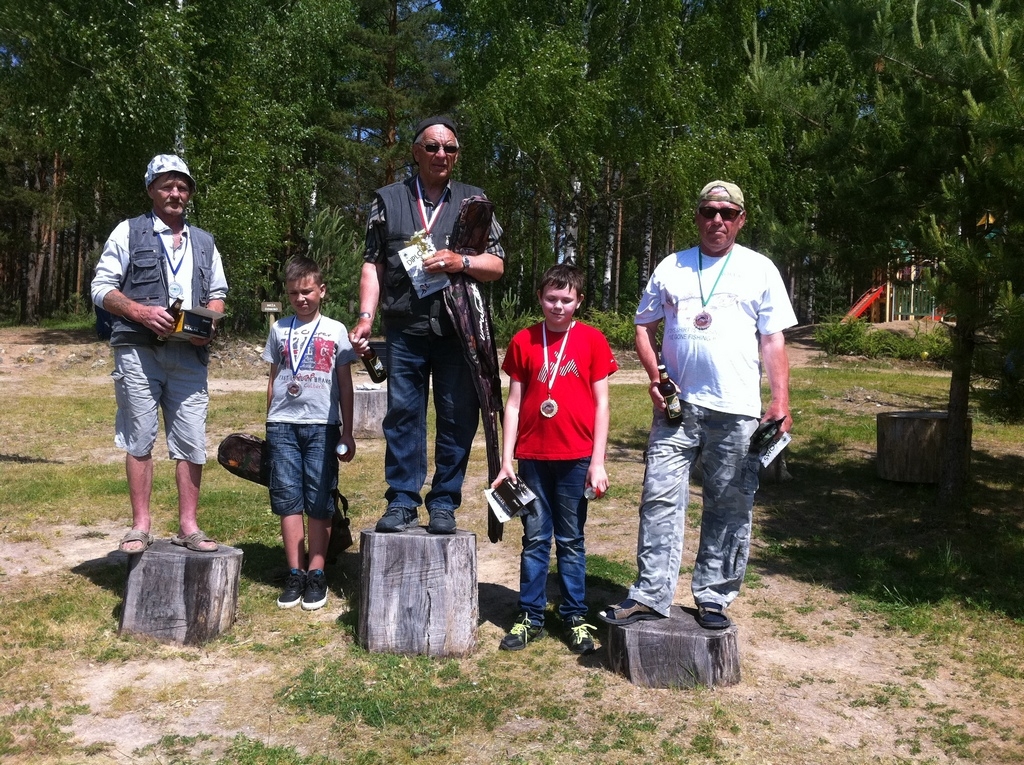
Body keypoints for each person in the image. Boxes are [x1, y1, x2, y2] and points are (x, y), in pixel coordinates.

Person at [600, 180, 797, 630]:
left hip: (737, 411)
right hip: (676, 408)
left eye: (728, 214)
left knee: (729, 505)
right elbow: (642, 326)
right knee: (659, 500)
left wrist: (780, 400)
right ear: (697, 216)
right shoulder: (672, 266)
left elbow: (772, 338)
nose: (717, 221)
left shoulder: (760, 269)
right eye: (709, 212)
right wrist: (656, 377)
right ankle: (651, 593)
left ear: (741, 219)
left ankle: (714, 596)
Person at [350, 116, 504, 535]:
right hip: (405, 327)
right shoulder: (388, 199)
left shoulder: (476, 201)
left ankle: (443, 502)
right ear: (416, 151)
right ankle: (401, 500)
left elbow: (497, 264)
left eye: (450, 149)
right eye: (433, 147)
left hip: (460, 330)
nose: (442, 155)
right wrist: (366, 316)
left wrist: (462, 262)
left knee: (457, 416)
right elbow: (372, 263)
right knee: (403, 415)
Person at [91, 154, 228, 555]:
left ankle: (189, 526)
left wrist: (210, 326)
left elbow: (217, 294)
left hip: (189, 356)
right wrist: (137, 311)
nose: (175, 193)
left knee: (191, 439)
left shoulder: (204, 241)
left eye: (182, 187)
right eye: (167, 185)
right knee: (140, 436)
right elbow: (101, 287)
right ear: (151, 189)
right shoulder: (127, 232)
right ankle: (140, 526)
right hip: (138, 351)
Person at [493, 265, 617, 654]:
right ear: (540, 298)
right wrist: (506, 459)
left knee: (571, 539)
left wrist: (598, 461)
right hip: (531, 456)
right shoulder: (524, 340)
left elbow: (602, 404)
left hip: (576, 457)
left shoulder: (592, 341)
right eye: (551, 298)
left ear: (579, 301)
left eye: (566, 299)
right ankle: (530, 614)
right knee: (534, 539)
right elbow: (512, 404)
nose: (558, 306)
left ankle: (575, 616)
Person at [262, 256, 357, 610]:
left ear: (321, 290)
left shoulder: (335, 330)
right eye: (293, 293)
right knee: (287, 498)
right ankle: (295, 571)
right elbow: (273, 378)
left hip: (322, 424)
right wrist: (269, 420)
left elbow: (345, 386)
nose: (300, 299)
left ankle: (317, 572)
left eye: (307, 291)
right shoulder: (278, 330)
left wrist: (347, 431)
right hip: (283, 424)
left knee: (319, 499)